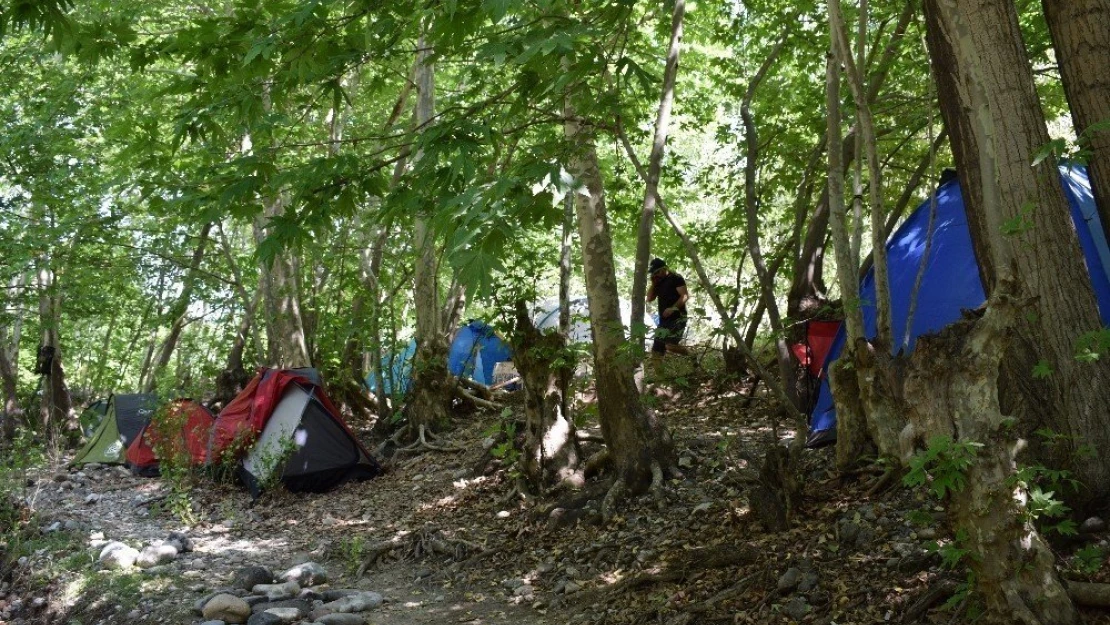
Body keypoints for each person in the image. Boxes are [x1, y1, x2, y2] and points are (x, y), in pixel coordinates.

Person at [646, 257, 691, 359]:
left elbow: (684, 296)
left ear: (664, 268)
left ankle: (691, 356)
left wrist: (672, 308)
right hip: (663, 321)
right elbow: (649, 298)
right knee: (656, 353)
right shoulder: (658, 282)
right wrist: (653, 283)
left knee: (670, 345)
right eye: (653, 273)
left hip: (678, 318)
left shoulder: (676, 278)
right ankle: (660, 375)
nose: (655, 275)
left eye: (657, 272)